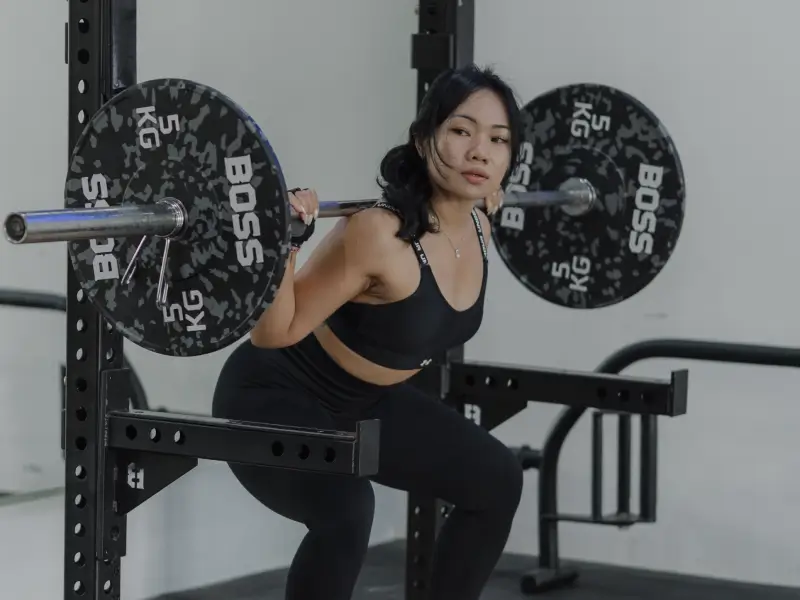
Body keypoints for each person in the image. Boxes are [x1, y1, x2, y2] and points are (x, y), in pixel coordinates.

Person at [212, 63, 524, 600]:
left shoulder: (479, 220)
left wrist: (481, 197)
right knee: (347, 510)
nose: (480, 151)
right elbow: (273, 331)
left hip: (367, 400)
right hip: (274, 394)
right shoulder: (377, 233)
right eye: (461, 130)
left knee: (496, 479)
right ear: (424, 139)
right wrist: (284, 241)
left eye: (498, 140)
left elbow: (475, 196)